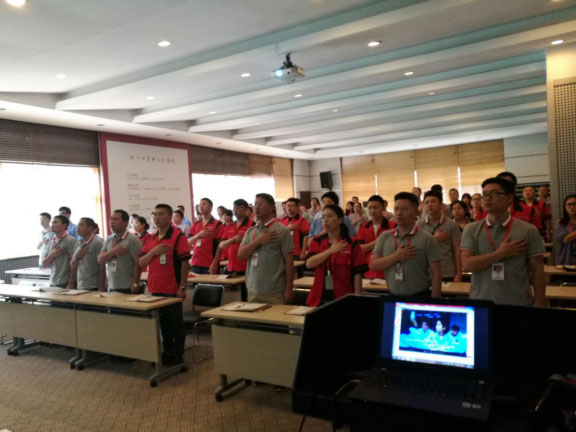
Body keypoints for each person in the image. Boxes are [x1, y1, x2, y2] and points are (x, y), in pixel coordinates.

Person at [461, 177, 546, 306]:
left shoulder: (528, 230)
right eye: (485, 194)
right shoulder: (471, 229)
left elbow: (538, 270)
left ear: (509, 198)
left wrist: (539, 302)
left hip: (518, 302)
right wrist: (500, 254)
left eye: (494, 193)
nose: (487, 198)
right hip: (481, 302)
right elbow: (467, 264)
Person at [139, 204, 190, 366]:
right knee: (163, 324)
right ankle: (167, 352)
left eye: (161, 214)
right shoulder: (151, 237)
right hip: (155, 288)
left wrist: (182, 287)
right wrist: (153, 252)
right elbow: (141, 262)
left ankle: (178, 355)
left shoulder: (178, 236)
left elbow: (185, 263)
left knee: (175, 324)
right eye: (155, 214)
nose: (157, 217)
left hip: (172, 289)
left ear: (169, 217)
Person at [370, 192, 442, 297]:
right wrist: (396, 256)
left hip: (420, 296)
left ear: (416, 212)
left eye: (404, 209)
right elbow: (373, 265)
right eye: (396, 209)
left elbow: (437, 273)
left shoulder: (427, 238)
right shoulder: (385, 236)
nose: (399, 213)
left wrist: (435, 302)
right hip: (392, 296)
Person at [238, 193, 294, 304]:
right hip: (253, 289)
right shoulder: (251, 231)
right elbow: (241, 255)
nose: (256, 207)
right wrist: (258, 241)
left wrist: (289, 288)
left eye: (261, 204)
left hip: (275, 291)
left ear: (271, 207)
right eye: (255, 204)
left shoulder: (282, 230)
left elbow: (289, 261)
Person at [305, 205, 365, 306]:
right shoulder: (317, 241)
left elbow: (357, 274)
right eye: (323, 217)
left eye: (330, 216)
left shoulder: (351, 243)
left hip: (344, 296)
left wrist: (357, 298)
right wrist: (330, 251)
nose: (325, 220)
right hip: (320, 297)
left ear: (340, 220)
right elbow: (309, 264)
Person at [418, 190, 462, 282]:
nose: (430, 205)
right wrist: (434, 238)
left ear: (441, 205)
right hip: (426, 273)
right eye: (426, 202)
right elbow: (417, 248)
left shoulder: (451, 224)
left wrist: (459, 273)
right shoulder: (419, 225)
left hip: (447, 271)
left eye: (433, 201)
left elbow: (457, 250)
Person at [98, 209, 143, 293]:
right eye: (111, 219)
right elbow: (100, 260)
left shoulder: (133, 239)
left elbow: (138, 264)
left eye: (116, 219)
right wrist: (113, 251)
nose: (112, 222)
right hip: (111, 286)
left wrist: (135, 284)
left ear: (125, 222)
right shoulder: (109, 239)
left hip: (128, 287)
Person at [210, 199, 254, 278]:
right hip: (232, 266)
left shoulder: (252, 225)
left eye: (239, 207)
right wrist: (215, 262)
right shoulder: (230, 226)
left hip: (247, 267)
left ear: (246, 210)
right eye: (234, 207)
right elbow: (221, 246)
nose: (236, 209)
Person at [356, 195, 395, 279]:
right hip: (368, 271)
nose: (372, 211)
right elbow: (359, 249)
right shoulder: (363, 226)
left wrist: (368, 246)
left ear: (383, 208)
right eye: (370, 208)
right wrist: (377, 242)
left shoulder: (393, 226)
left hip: (388, 271)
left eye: (376, 208)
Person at [188, 198, 224, 274]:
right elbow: (187, 242)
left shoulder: (217, 224)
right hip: (195, 263)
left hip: (210, 263)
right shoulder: (195, 224)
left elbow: (220, 247)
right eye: (200, 204)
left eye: (204, 204)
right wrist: (198, 235)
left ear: (211, 207)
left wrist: (215, 263)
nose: (201, 206)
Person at [67, 217, 103, 291]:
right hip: (80, 285)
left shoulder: (97, 243)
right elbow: (73, 266)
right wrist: (71, 283)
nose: (78, 227)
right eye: (78, 225)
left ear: (90, 228)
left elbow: (102, 266)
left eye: (82, 225)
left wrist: (101, 286)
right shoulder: (77, 244)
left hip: (94, 285)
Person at [42, 215, 78, 287]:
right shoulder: (51, 242)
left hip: (66, 282)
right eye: (52, 223)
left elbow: (75, 264)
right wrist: (52, 254)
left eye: (55, 222)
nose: (52, 225)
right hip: (53, 281)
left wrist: (71, 283)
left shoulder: (71, 241)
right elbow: (44, 264)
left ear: (64, 225)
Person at [554, 194, 576, 265]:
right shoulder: (560, 222)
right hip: (566, 259)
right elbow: (565, 239)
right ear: (565, 207)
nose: (572, 207)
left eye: (574, 204)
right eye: (569, 204)